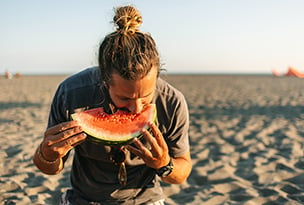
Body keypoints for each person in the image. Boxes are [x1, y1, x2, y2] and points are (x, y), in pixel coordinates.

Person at [33, 5, 192, 205]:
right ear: (104, 82)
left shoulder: (172, 102)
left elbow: (182, 173)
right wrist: (46, 155)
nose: (136, 108)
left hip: (144, 200)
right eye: (125, 98)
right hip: (84, 199)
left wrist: (164, 164)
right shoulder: (71, 93)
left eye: (146, 97)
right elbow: (51, 169)